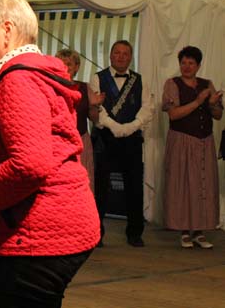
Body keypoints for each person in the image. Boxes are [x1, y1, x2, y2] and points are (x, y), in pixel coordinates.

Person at [0, 0, 99, 308]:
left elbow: (29, 164)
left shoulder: (19, 79)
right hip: (45, 225)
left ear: (7, 30)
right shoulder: (28, 71)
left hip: (39, 233)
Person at [89, 40, 154, 247]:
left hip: (132, 139)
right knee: (100, 187)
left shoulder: (140, 80)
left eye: (125, 53)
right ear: (110, 55)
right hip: (105, 138)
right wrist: (115, 127)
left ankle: (135, 232)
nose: (121, 57)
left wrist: (131, 127)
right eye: (117, 53)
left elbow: (147, 108)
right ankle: (96, 233)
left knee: (134, 187)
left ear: (130, 57)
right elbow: (96, 108)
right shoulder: (97, 78)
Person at [162, 46, 223, 249]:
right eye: (183, 63)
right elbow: (173, 114)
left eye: (191, 63)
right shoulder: (172, 84)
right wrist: (198, 101)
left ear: (198, 65)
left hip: (204, 141)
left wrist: (212, 103)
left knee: (202, 184)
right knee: (183, 184)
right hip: (182, 139)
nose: (187, 67)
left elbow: (218, 115)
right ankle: (183, 231)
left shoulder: (207, 84)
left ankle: (199, 231)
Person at [56, 48, 104, 193]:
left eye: (69, 64)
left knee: (81, 187)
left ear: (77, 67)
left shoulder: (84, 87)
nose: (65, 67)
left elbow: (94, 119)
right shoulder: (50, 86)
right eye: (61, 63)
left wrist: (95, 106)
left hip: (81, 141)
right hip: (58, 143)